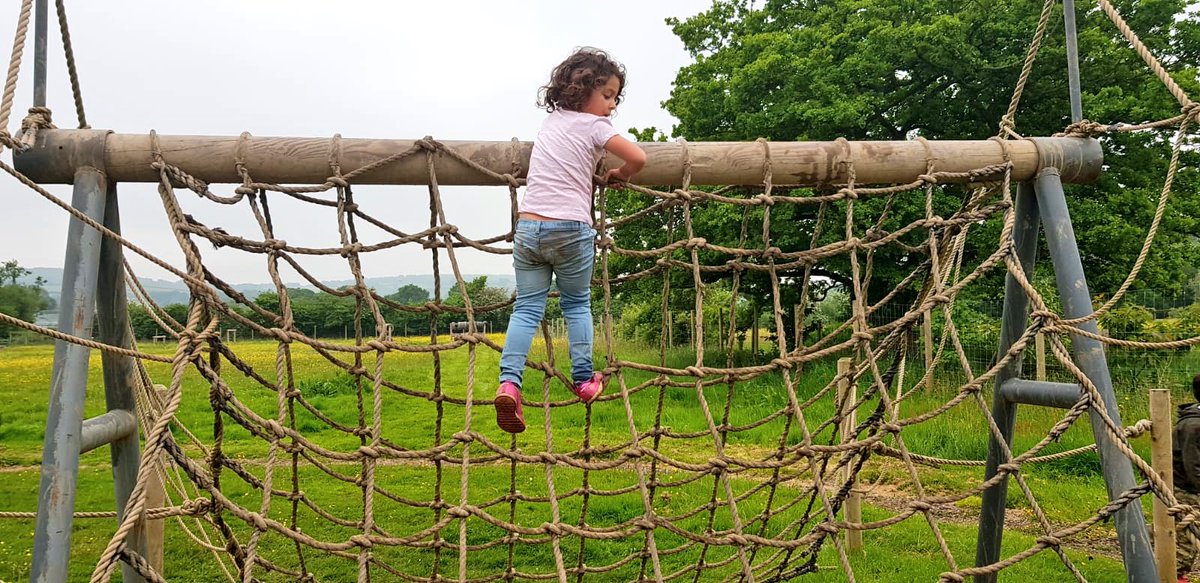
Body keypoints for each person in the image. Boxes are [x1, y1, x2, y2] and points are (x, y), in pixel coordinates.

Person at [494, 47, 646, 433]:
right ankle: (583, 380)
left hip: (528, 228)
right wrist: (622, 173)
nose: (611, 106)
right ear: (583, 91)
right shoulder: (595, 128)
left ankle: (509, 383)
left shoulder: (552, 122)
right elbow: (639, 157)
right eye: (607, 95)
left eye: (615, 98)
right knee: (577, 304)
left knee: (527, 309)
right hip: (571, 229)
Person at [1175, 373, 1200, 582]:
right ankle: (1175, 575)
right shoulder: (1193, 426)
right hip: (1189, 489)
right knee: (1186, 537)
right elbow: (1192, 465)